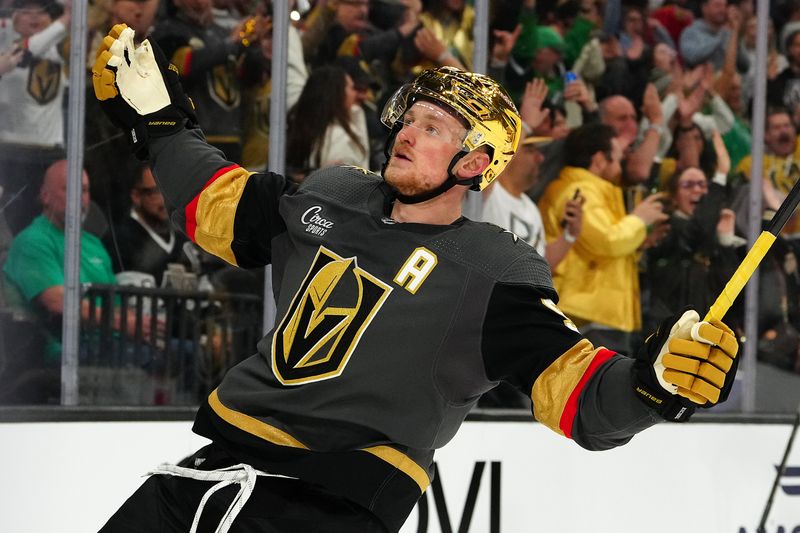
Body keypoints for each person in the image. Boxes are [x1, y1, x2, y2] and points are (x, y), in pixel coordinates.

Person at [93, 24, 740, 533]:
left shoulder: (493, 268)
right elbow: (218, 202)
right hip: (206, 474)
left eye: (435, 128)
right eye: (410, 118)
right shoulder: (334, 194)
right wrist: (161, 124)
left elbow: (581, 394)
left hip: (330, 510)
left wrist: (654, 385)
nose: (407, 132)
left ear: (477, 162)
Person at [538, 123, 668, 354]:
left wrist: (639, 243)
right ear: (598, 160)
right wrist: (639, 219)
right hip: (586, 311)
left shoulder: (594, 190)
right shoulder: (581, 191)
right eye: (616, 160)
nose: (620, 168)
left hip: (596, 310)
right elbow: (607, 241)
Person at [2, 160, 117, 364]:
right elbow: (58, 303)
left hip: (112, 345)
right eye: (69, 189)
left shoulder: (93, 244)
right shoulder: (32, 241)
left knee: (183, 351)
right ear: (45, 196)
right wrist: (125, 323)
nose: (79, 198)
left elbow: (116, 302)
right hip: (62, 355)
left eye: (84, 190)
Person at [482, 135, 583, 270]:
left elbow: (539, 264)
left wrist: (570, 235)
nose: (540, 158)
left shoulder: (530, 208)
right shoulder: (487, 192)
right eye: (530, 150)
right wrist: (524, 126)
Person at [103, 163, 190, 286]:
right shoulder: (119, 241)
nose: (166, 200)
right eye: (156, 191)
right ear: (136, 196)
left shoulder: (184, 240)